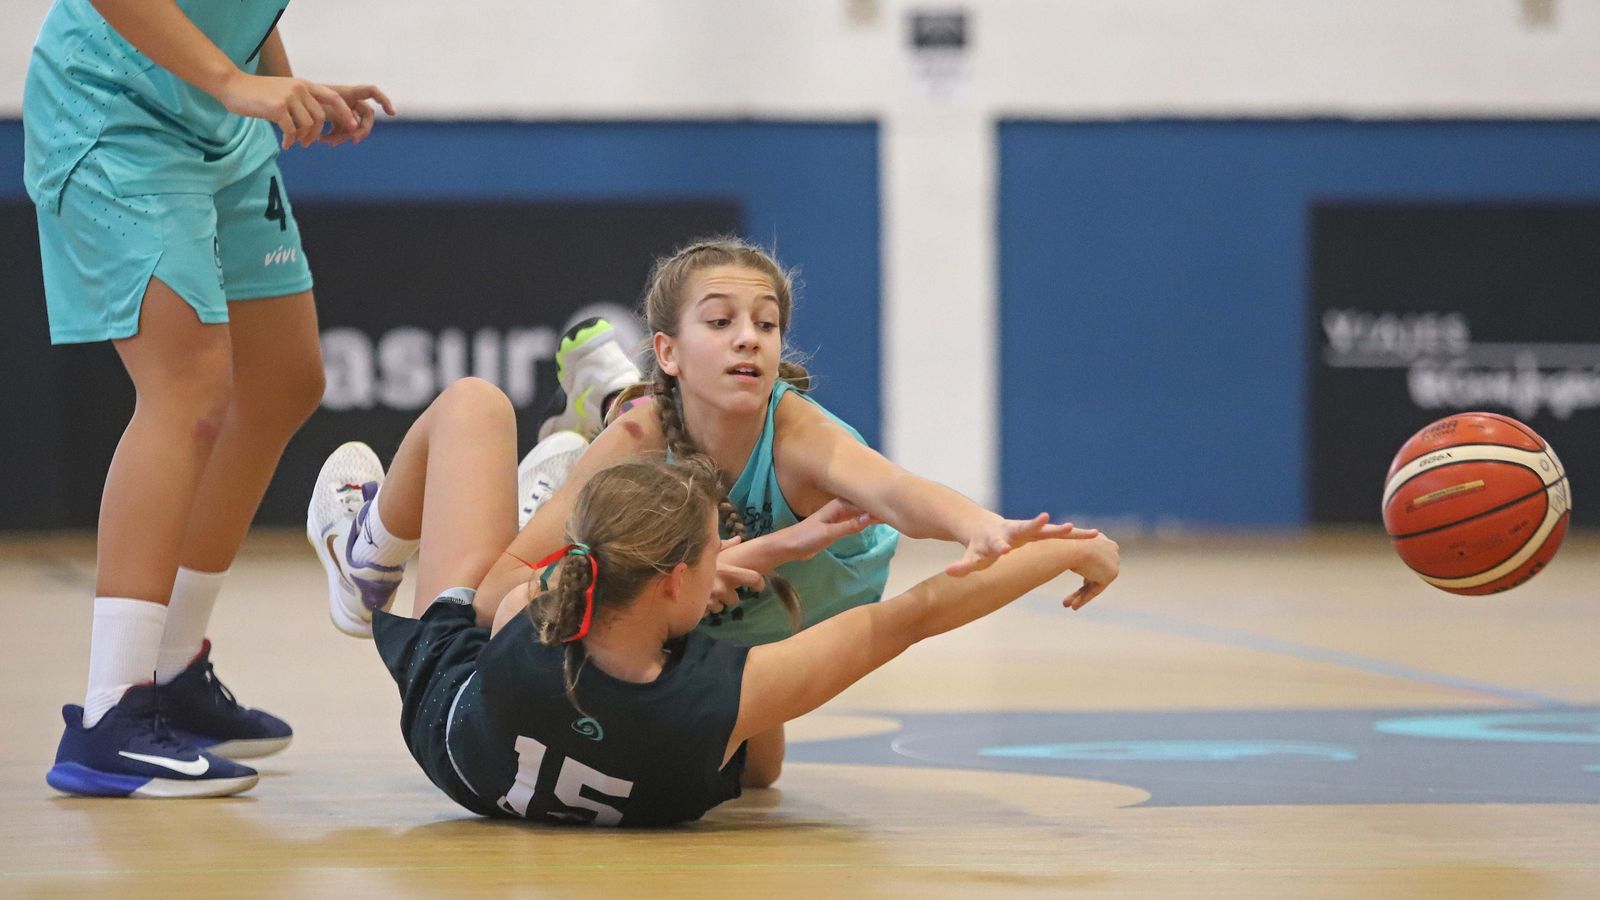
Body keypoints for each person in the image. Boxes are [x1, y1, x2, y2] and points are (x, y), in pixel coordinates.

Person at [307, 378, 1118, 826]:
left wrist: (763, 551)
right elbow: (910, 615)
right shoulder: (720, 698)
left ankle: (443, 521)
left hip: (454, 741)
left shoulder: (536, 623)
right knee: (760, 768)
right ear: (672, 582)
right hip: (557, 764)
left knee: (475, 404)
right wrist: (1074, 545)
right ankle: (367, 550)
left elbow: (503, 597)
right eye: (716, 550)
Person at [31, 0, 393, 798]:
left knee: (283, 381)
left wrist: (283, 86)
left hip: (221, 129)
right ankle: (109, 717)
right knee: (187, 387)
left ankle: (170, 672)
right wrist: (232, 81)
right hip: (115, 113)